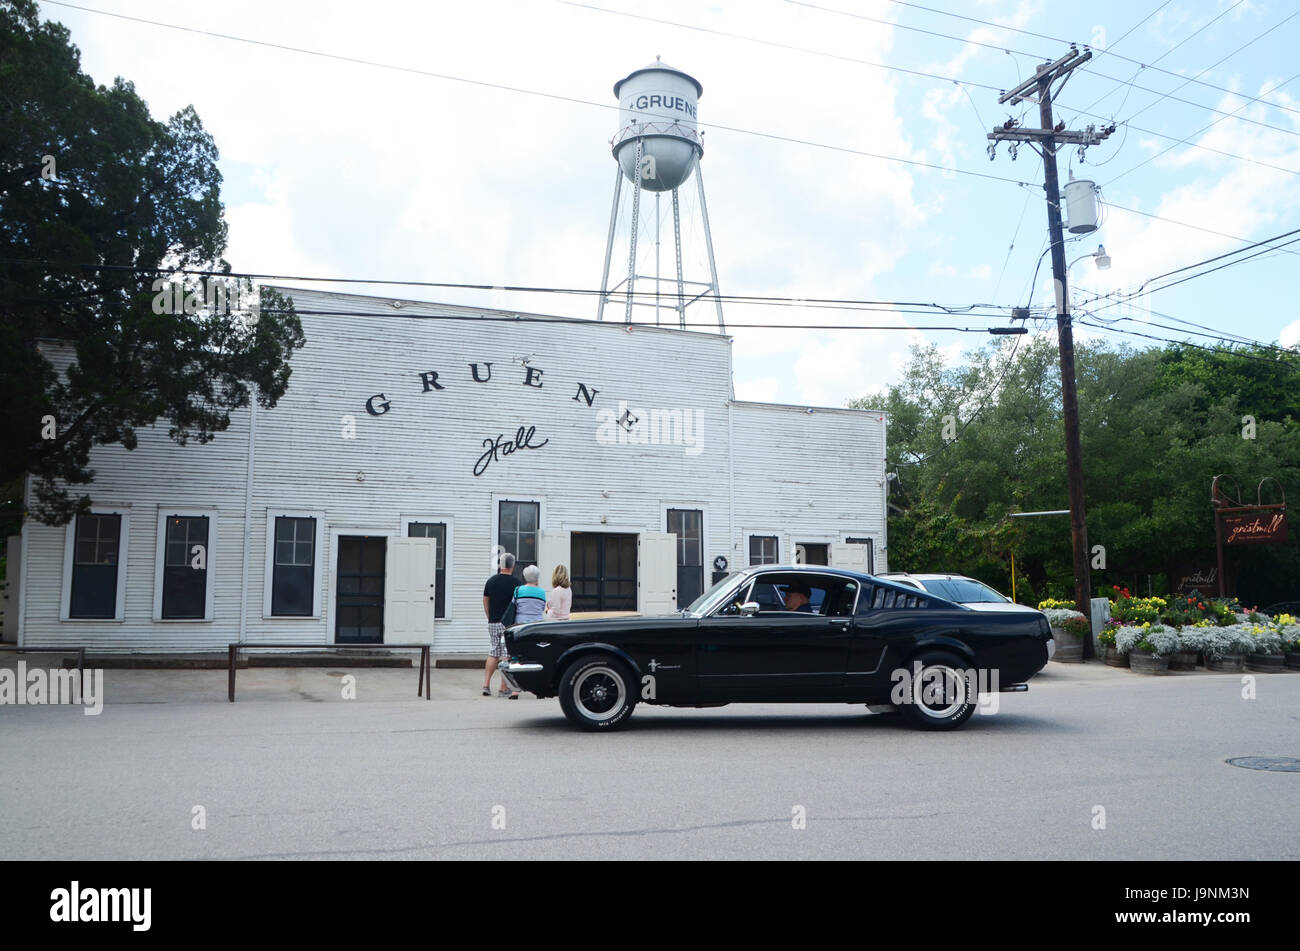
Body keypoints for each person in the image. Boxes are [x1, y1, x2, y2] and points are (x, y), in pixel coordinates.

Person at [483, 552, 521, 698]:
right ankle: (503, 688)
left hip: (493, 621)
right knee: (506, 655)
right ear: (512, 566)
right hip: (508, 623)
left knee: (493, 653)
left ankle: (486, 685)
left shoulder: (491, 581)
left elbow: (485, 600)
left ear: (500, 565)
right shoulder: (517, 583)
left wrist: (489, 616)